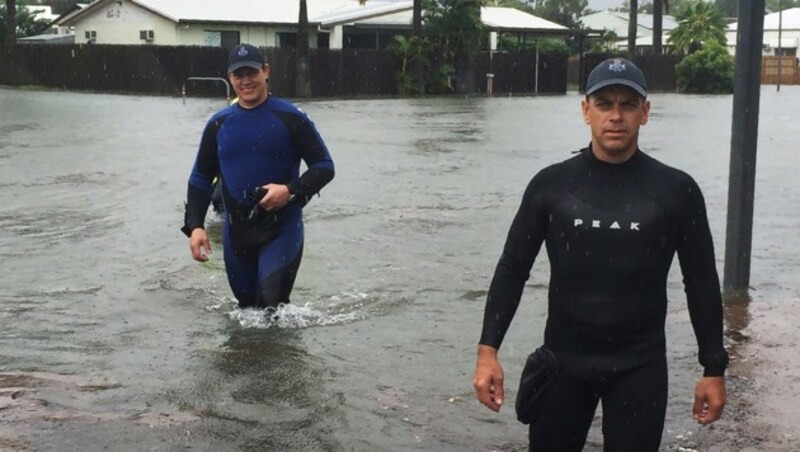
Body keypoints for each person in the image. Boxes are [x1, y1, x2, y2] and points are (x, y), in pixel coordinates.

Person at [472, 57, 728, 451]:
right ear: (585, 110)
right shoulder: (551, 186)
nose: (615, 116)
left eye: (628, 104)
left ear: (645, 112)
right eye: (605, 103)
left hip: (640, 366)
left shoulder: (677, 191)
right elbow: (512, 270)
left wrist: (713, 368)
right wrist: (488, 352)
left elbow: (701, 280)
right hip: (563, 363)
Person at [181, 43, 334, 310]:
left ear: (265, 71)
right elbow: (200, 177)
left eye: (251, 72)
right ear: (230, 78)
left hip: (281, 229)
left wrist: (289, 190)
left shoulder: (290, 117)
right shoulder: (218, 124)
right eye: (238, 75)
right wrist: (195, 227)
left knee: (270, 304)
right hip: (237, 235)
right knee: (246, 312)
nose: (245, 81)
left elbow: (324, 166)